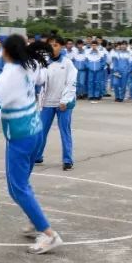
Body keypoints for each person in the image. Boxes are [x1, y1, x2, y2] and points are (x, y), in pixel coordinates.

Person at [0, 34, 63, 254]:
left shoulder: (7, 77)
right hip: (35, 131)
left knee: (17, 187)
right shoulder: (29, 66)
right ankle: (36, 220)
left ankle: (49, 234)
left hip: (20, 135)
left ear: (6, 52)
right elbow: (40, 74)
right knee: (22, 184)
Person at [33, 36, 77, 170]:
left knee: (65, 131)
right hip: (47, 103)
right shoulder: (44, 62)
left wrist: (65, 101)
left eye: (56, 45)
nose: (53, 47)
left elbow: (71, 83)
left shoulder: (68, 63)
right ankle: (37, 156)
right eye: (50, 45)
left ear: (62, 47)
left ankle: (67, 159)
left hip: (63, 104)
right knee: (41, 131)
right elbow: (39, 81)